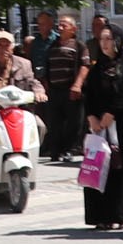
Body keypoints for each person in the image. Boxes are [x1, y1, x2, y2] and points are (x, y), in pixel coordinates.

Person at [79, 18, 123, 231]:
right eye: (101, 39)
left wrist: (112, 112)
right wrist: (92, 116)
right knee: (101, 166)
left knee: (122, 168)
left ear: (118, 40)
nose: (104, 43)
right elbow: (89, 94)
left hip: (122, 123)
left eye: (109, 39)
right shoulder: (98, 67)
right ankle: (102, 215)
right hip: (100, 127)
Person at [38, 13, 86, 161]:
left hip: (70, 89)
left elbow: (85, 66)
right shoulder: (53, 46)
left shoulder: (79, 46)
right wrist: (46, 86)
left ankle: (69, 149)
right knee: (54, 122)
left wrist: (77, 85)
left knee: (72, 122)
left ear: (73, 29)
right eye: (59, 25)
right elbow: (47, 66)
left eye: (64, 25)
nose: (60, 27)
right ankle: (55, 150)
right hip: (54, 90)